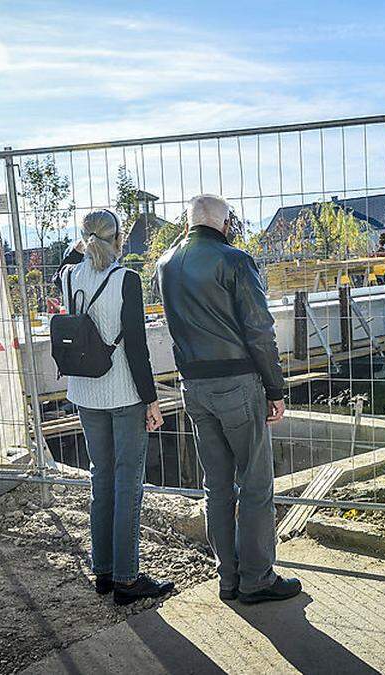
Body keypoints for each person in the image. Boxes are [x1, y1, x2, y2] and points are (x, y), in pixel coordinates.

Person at [157, 194, 301, 604]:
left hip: (193, 387)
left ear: (189, 222)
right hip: (237, 382)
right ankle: (257, 579)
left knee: (216, 486)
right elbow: (259, 329)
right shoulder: (234, 259)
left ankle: (228, 578)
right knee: (255, 483)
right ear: (223, 223)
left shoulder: (165, 263)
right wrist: (275, 388)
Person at [60, 209, 171, 605]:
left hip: (85, 393)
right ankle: (127, 579)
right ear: (120, 239)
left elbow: (70, 258)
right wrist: (151, 399)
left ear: (84, 237)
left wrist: (82, 245)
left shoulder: (69, 276)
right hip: (123, 395)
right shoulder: (127, 280)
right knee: (127, 484)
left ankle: (103, 572)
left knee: (100, 479)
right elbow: (137, 347)